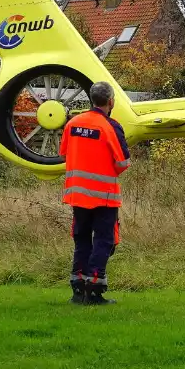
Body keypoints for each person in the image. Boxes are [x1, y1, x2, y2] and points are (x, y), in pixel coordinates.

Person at [59, 81, 129, 305]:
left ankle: (78, 289)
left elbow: (63, 155)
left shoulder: (73, 123)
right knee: (104, 240)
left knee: (81, 240)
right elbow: (122, 163)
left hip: (77, 195)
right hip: (103, 196)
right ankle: (94, 288)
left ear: (91, 99)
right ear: (110, 101)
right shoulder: (111, 127)